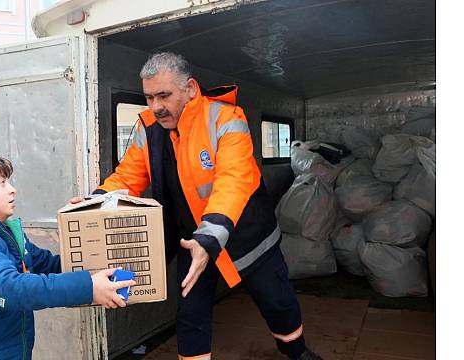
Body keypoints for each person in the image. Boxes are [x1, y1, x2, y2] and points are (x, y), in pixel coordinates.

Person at [72, 53, 321, 360]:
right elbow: (128, 175)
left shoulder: (226, 118)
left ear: (190, 89)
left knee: (277, 302)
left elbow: (233, 179)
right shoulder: (147, 128)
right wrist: (93, 202)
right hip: (194, 243)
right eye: (149, 97)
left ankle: (296, 351)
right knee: (190, 314)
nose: (156, 106)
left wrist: (209, 236)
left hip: (248, 238)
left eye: (164, 95)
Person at [0, 155, 135, 359]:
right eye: (2, 183)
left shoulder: (6, 236)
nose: (12, 189)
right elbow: (8, 288)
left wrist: (83, 217)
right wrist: (89, 287)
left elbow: (52, 265)